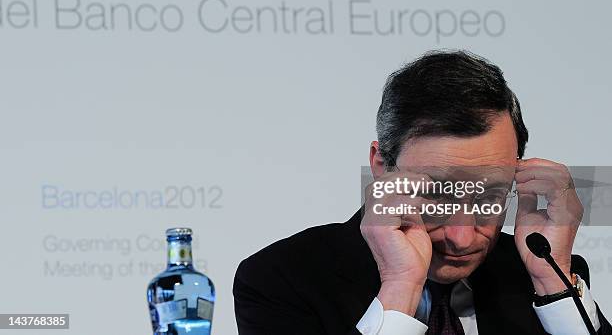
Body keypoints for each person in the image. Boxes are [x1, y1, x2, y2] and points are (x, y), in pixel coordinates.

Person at [233, 50, 611, 334]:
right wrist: (400, 289)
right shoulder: (280, 279)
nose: (462, 238)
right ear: (381, 168)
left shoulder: (548, 277)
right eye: (438, 196)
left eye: (488, 197)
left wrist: (551, 284)